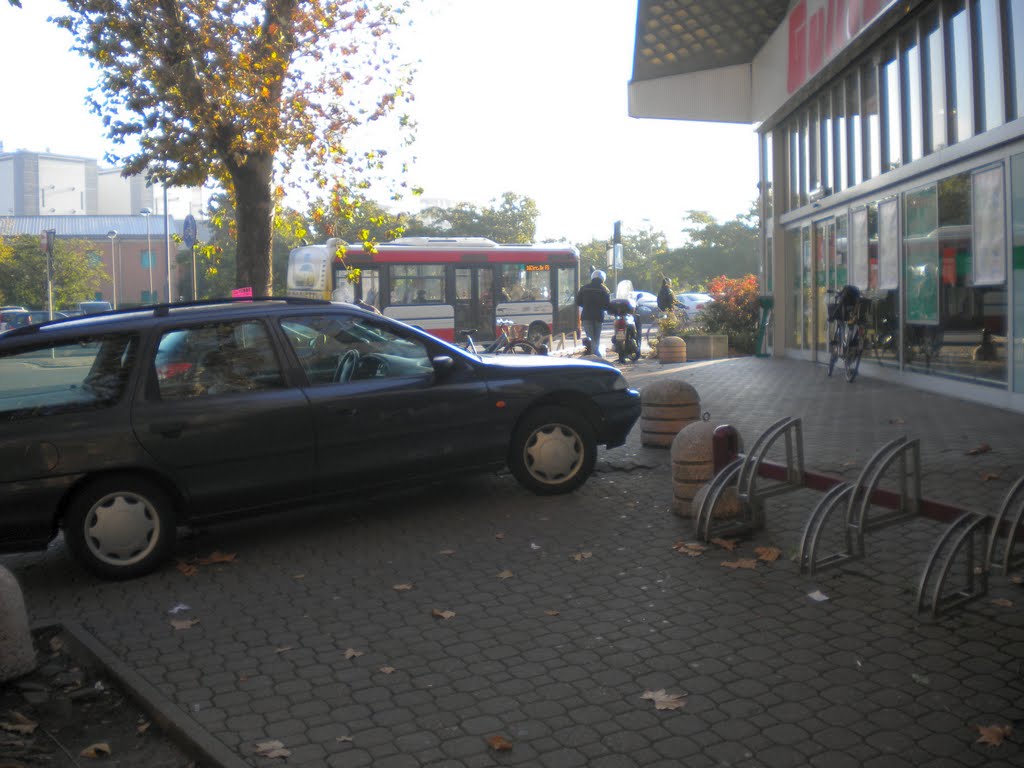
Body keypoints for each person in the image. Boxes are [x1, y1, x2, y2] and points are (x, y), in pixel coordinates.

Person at [576, 270, 611, 353]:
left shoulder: (584, 288)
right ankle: (596, 354)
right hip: (598, 316)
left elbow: (578, 302)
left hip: (586, 316)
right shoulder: (604, 290)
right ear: (603, 279)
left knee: (590, 337)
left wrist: (586, 306)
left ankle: (593, 354)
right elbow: (607, 305)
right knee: (596, 337)